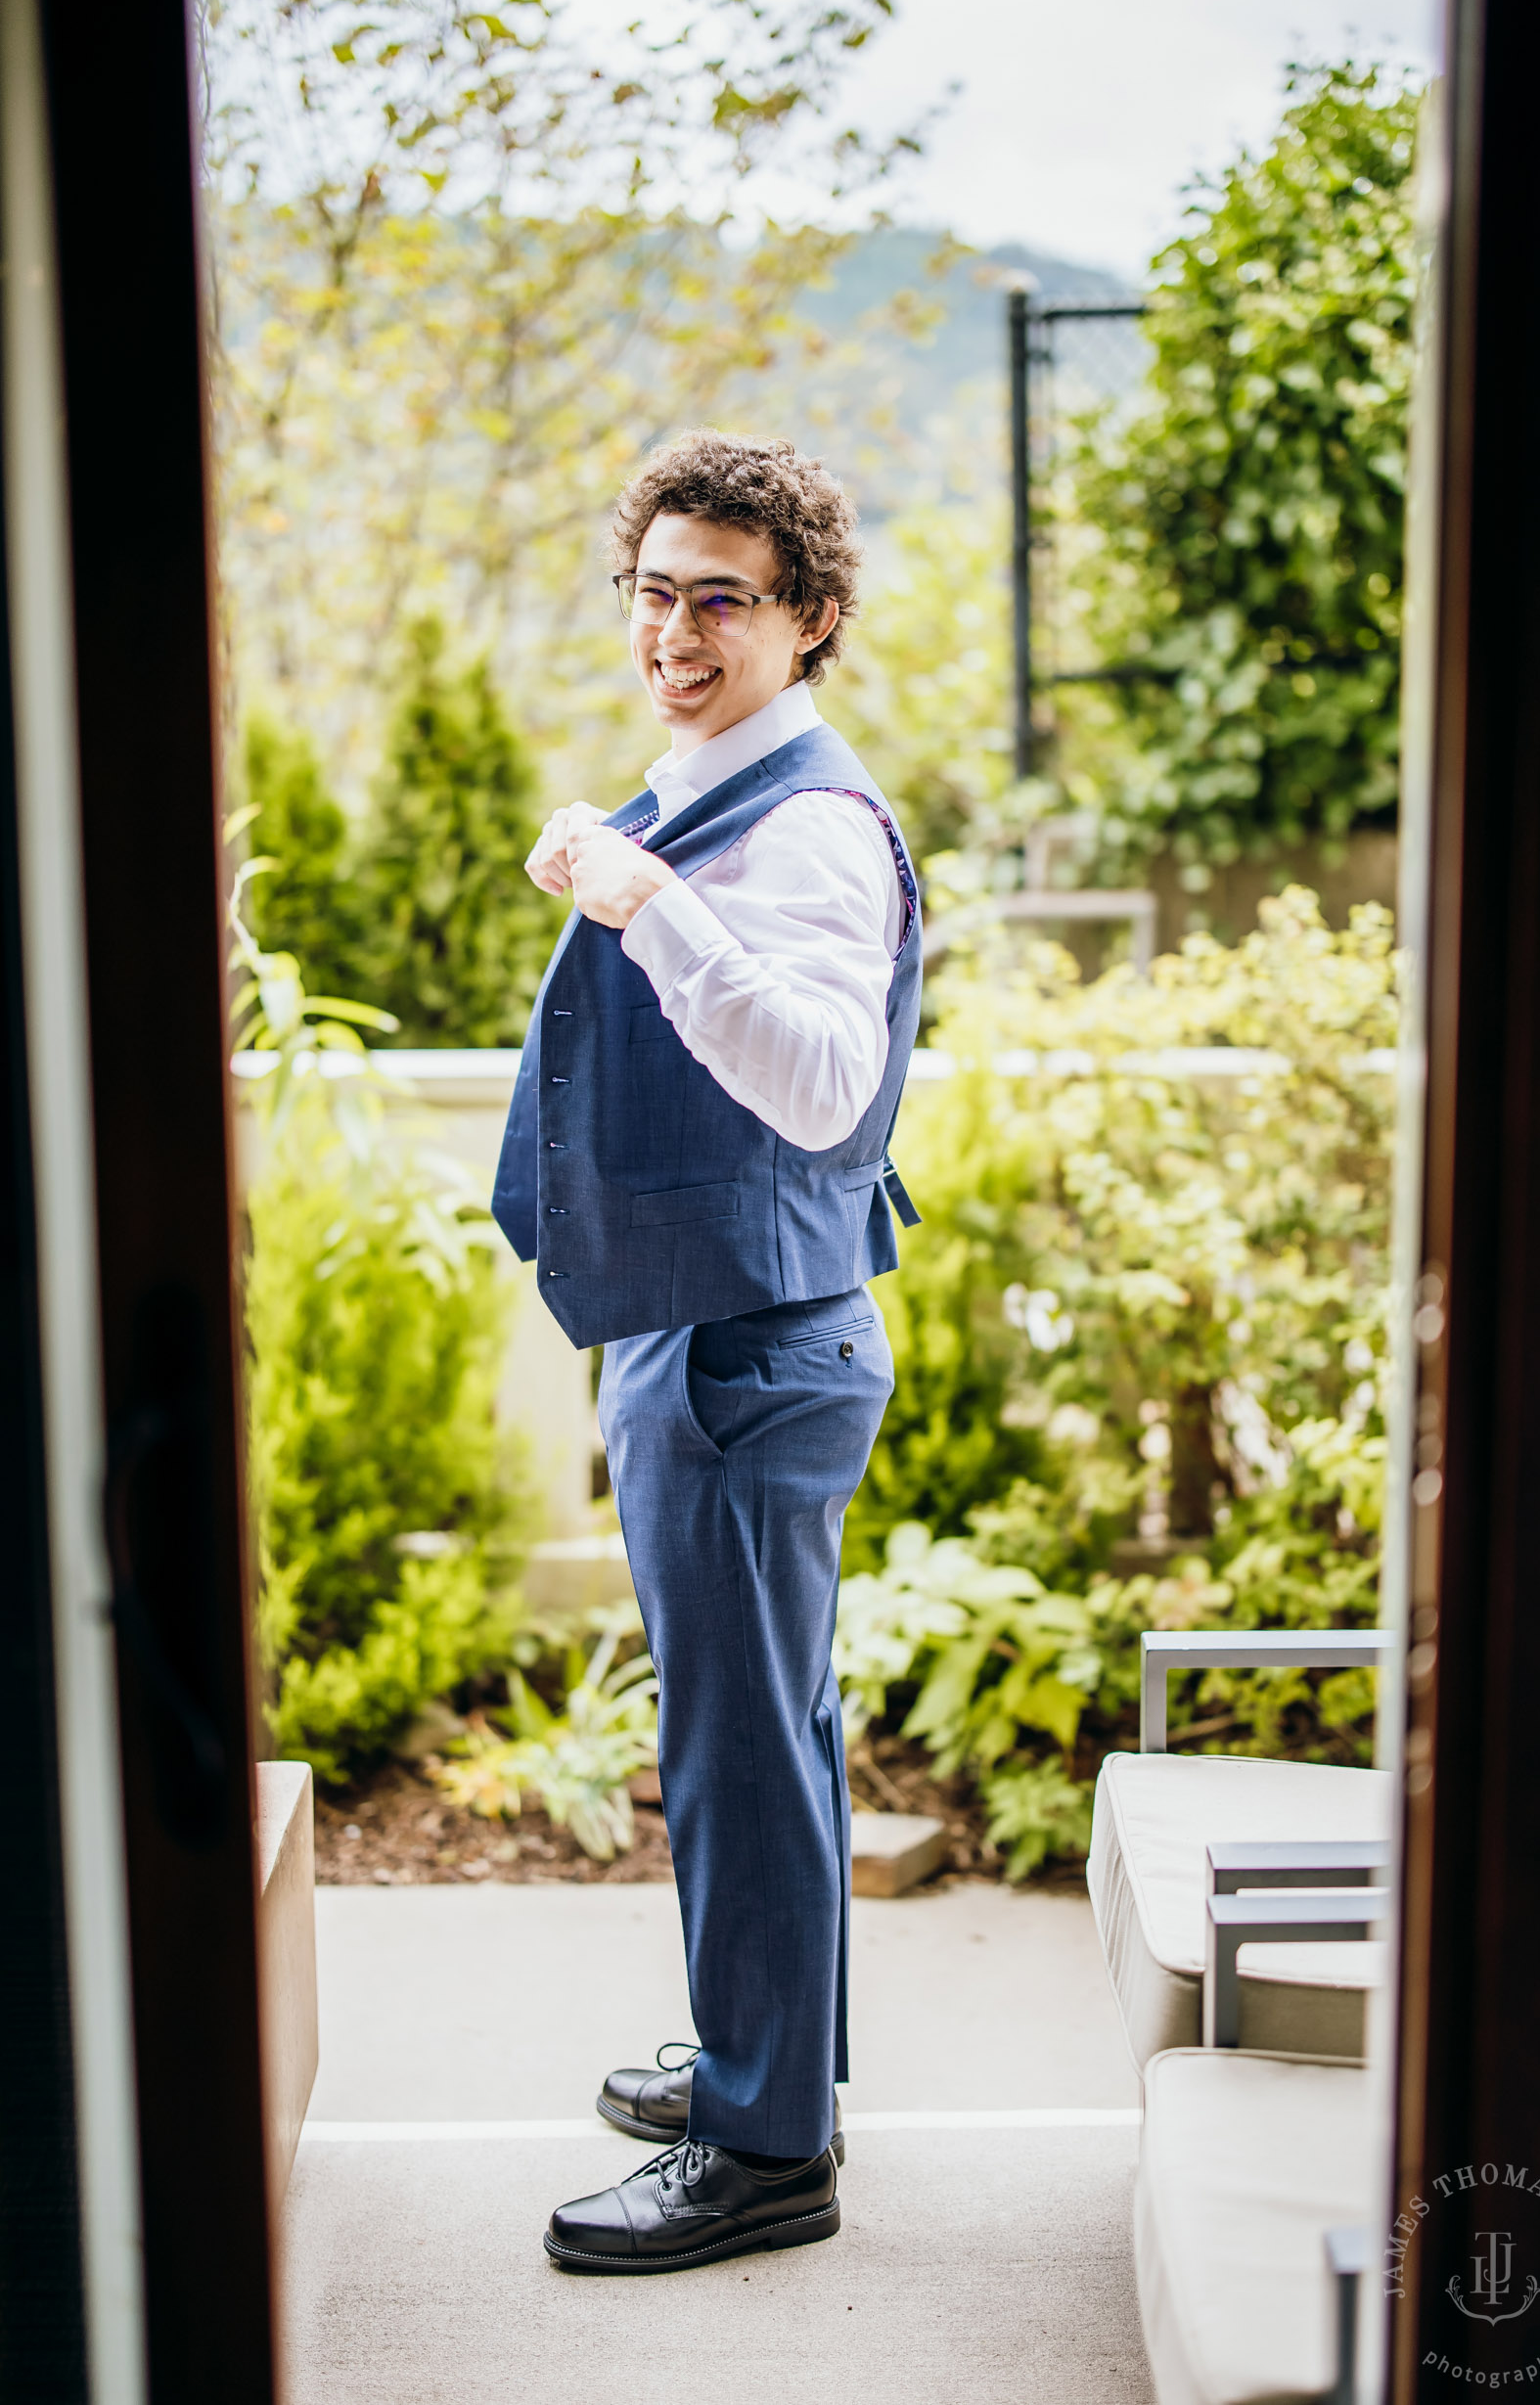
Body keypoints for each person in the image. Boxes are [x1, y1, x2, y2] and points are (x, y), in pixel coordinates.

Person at [491, 431, 922, 2275]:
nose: (673, 626)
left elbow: (822, 1088)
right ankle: (777, 2065)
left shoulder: (811, 823)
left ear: (809, 620)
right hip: (719, 1335)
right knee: (771, 1732)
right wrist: (635, 858)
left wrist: (641, 900)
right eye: (653, 589)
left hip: (749, 1350)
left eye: (720, 597)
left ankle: (762, 2156)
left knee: (739, 1749)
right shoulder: (712, 782)